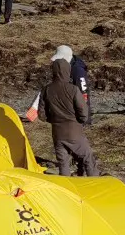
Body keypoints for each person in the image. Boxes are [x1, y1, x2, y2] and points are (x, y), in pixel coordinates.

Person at [41, 45, 97, 176]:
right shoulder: (73, 89)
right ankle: (94, 182)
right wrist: (82, 120)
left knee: (63, 163)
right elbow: (83, 105)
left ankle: (67, 185)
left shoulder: (47, 89)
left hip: (57, 132)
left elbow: (41, 113)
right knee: (87, 156)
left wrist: (53, 120)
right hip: (73, 128)